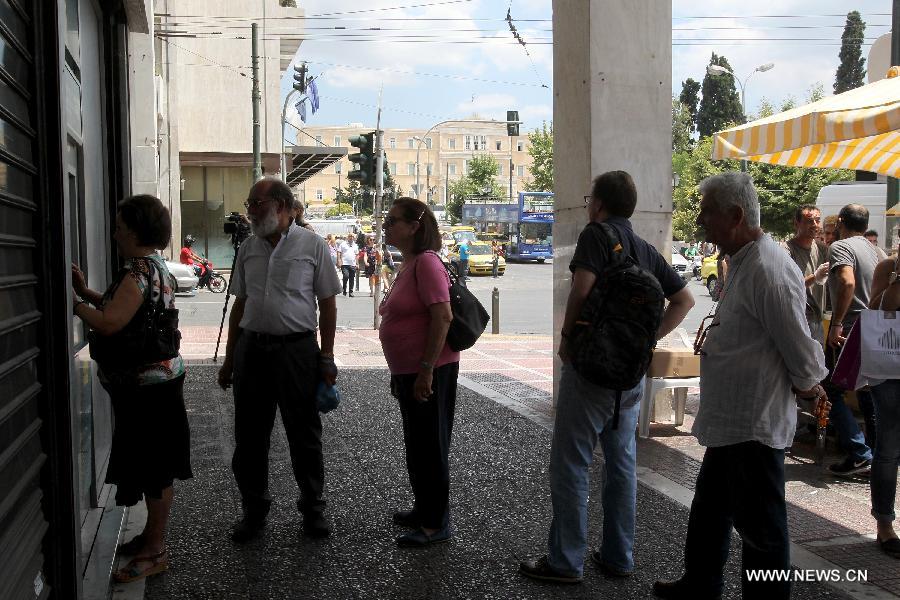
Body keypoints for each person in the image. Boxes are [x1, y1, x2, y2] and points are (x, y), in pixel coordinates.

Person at [654, 172, 828, 600]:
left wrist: (811, 387)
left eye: (708, 211)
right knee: (710, 512)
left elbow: (799, 348)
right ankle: (701, 584)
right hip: (733, 422)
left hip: (753, 424)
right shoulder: (746, 260)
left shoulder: (769, 269)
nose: (701, 220)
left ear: (735, 216)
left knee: (762, 531)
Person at [519, 171, 694, 584]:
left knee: (571, 464)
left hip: (591, 370)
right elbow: (684, 299)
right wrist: (646, 341)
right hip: (629, 378)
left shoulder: (596, 235)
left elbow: (581, 289)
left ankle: (565, 561)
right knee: (621, 464)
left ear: (598, 204)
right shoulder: (647, 250)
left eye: (589, 199)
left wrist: (567, 339)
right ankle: (618, 556)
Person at [72, 194, 190, 583]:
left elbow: (109, 323)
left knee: (155, 469)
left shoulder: (137, 272)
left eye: (120, 226)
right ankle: (150, 538)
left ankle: (155, 550)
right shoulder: (155, 267)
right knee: (155, 465)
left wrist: (74, 306)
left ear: (136, 230)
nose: (115, 233)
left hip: (148, 388)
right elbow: (126, 310)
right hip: (159, 383)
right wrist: (88, 293)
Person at [217, 177, 341, 543]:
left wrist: (327, 356)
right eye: (250, 203)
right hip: (252, 351)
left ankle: (312, 509)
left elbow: (328, 303)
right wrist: (229, 360)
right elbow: (240, 303)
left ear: (284, 208)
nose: (251, 210)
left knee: (304, 435)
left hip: (297, 352)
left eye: (259, 203)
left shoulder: (313, 245)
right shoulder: (248, 248)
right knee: (250, 437)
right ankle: (253, 511)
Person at [379, 197, 459, 547]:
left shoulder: (426, 263)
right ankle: (423, 508)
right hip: (410, 371)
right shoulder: (409, 263)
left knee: (430, 444)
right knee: (417, 442)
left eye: (393, 221)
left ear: (414, 227)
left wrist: (426, 369)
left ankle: (435, 523)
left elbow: (443, 316)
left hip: (431, 370)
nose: (386, 226)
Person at [824, 204, 887, 476]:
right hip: (876, 326)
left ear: (840, 222)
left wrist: (837, 322)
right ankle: (876, 456)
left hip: (851, 327)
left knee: (829, 388)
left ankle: (860, 453)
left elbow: (847, 282)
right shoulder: (877, 250)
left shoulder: (841, 247)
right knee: (869, 393)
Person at [867, 245, 900, 559]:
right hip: (890, 370)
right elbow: (878, 310)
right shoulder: (887, 267)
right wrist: (898, 277)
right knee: (888, 447)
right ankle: (885, 524)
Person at [782, 204, 830, 343]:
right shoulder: (786, 250)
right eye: (809, 221)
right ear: (796, 223)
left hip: (818, 319)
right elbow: (788, 287)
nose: (815, 225)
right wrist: (815, 277)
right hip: (796, 320)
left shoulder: (822, 249)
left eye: (817, 220)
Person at [337, 233, 358, 297]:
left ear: (354, 238)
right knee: (345, 276)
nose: (351, 237)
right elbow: (339, 252)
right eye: (350, 236)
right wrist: (339, 260)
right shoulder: (343, 244)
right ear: (347, 237)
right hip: (345, 264)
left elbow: (357, 255)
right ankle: (344, 289)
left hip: (353, 264)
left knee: (352, 278)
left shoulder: (355, 245)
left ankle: (351, 292)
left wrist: (357, 263)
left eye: (352, 236)